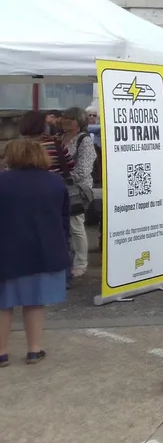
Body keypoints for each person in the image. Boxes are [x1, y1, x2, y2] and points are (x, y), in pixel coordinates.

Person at [0, 138, 70, 366]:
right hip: (44, 250)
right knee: (35, 302)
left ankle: (1, 352)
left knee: (3, 304)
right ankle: (33, 350)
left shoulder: (2, 181)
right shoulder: (55, 182)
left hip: (6, 252)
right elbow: (64, 219)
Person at [60, 107, 96, 279]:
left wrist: (60, 178)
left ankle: (81, 263)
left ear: (79, 121)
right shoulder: (59, 137)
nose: (65, 120)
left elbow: (83, 169)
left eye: (70, 118)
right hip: (60, 187)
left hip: (77, 189)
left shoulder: (84, 140)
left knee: (76, 225)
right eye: (64, 117)